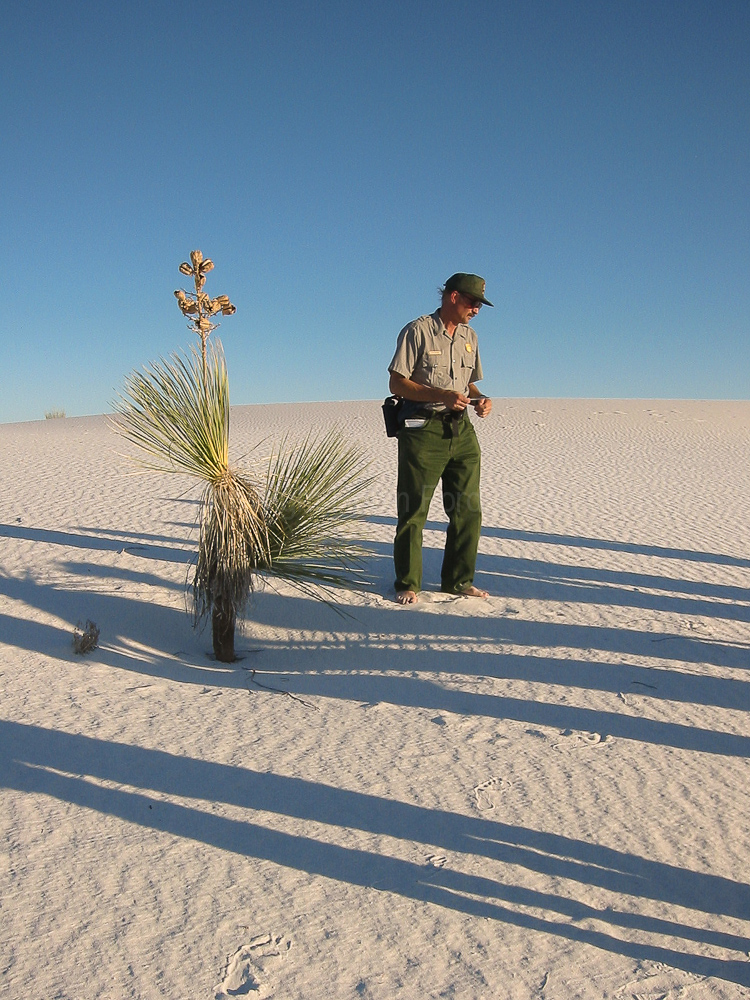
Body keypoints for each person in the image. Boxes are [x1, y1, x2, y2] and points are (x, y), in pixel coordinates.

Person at [388, 272, 493, 605]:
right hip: (423, 430)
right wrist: (441, 395)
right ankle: (408, 582)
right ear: (453, 297)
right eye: (473, 302)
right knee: (413, 509)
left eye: (479, 304)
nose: (476, 309)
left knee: (467, 511)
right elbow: (397, 383)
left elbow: (468, 384)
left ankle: (459, 581)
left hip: (461, 432)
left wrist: (479, 399)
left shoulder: (470, 337)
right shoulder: (417, 330)